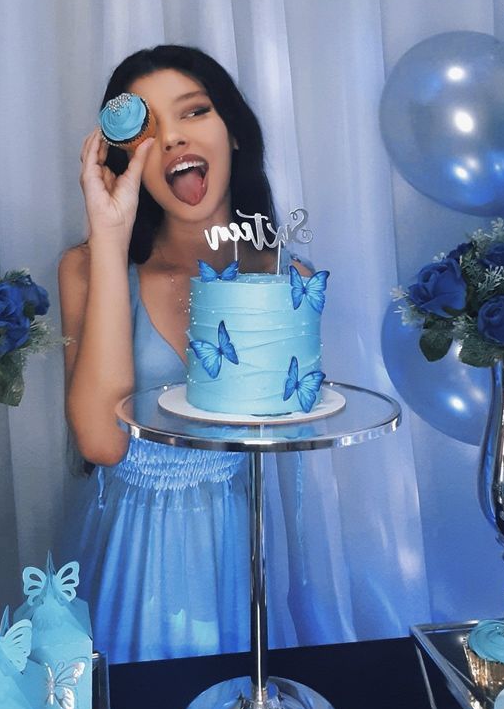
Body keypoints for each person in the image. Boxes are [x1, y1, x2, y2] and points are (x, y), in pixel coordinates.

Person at [58, 45, 316, 663]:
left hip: (233, 547)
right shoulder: (87, 269)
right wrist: (111, 235)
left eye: (193, 112)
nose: (172, 140)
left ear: (232, 130)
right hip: (125, 547)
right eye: (149, 129)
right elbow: (100, 443)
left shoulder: (287, 277)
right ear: (126, 158)